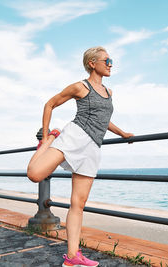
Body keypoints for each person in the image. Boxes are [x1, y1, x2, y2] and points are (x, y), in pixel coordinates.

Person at [27, 46, 134, 267]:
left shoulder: (109, 92)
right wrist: (46, 135)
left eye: (111, 60)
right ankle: (47, 144)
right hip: (74, 137)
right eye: (107, 60)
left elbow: (103, 119)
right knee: (35, 174)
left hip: (93, 147)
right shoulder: (80, 86)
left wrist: (122, 133)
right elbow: (50, 104)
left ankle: (72, 256)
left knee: (79, 203)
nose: (111, 64)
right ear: (92, 63)